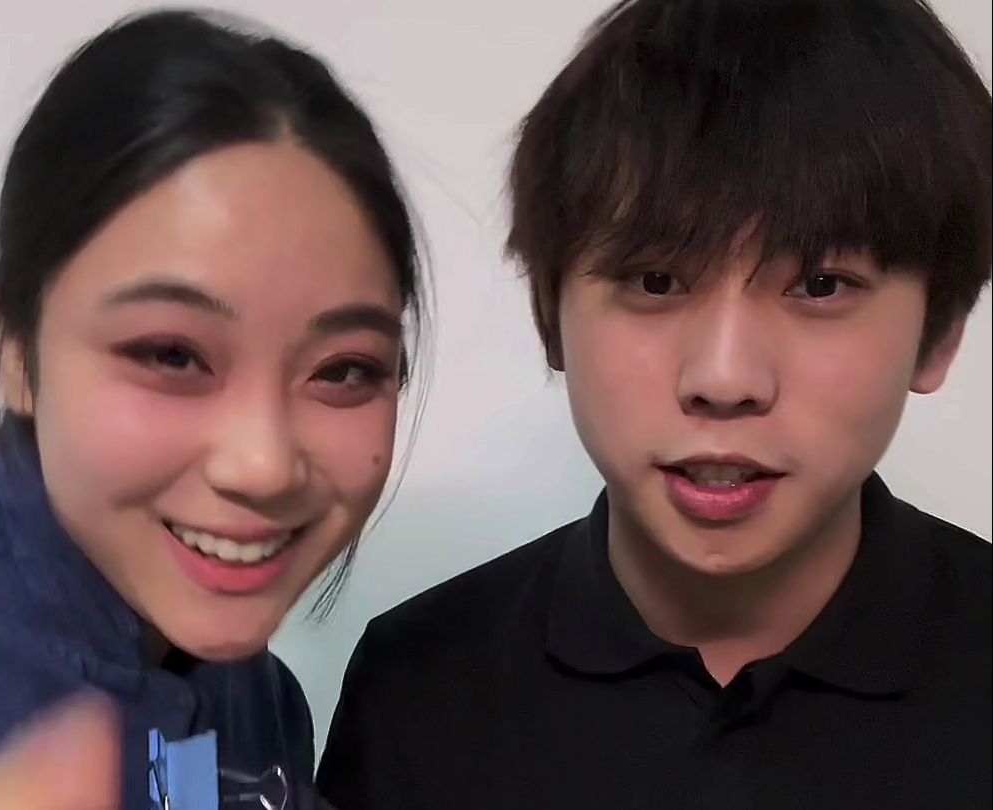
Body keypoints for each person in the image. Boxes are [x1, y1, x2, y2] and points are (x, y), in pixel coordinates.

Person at [316, 0, 992, 807]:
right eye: (657, 280)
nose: (724, 378)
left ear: (939, 333)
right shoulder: (417, 684)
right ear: (549, 316)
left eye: (820, 285)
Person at [0, 9, 424, 809]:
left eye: (345, 370)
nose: (263, 466)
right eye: (171, 355)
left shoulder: (263, 702)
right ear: (17, 349)